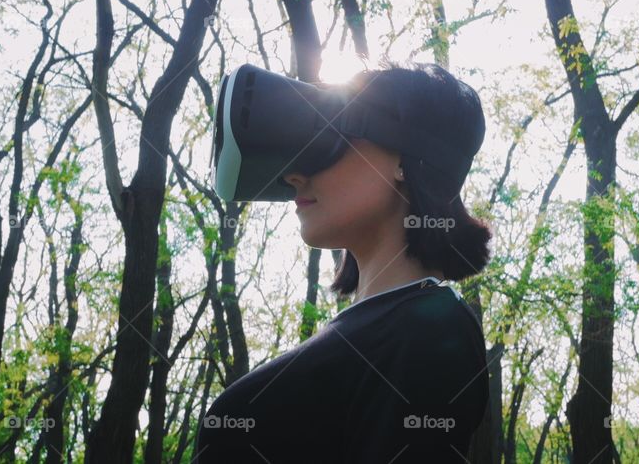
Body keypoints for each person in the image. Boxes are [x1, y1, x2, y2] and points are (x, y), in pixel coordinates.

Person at [195, 62, 492, 463]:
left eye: (330, 136)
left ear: (404, 159)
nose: (294, 175)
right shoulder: (381, 331)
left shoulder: (428, 332)